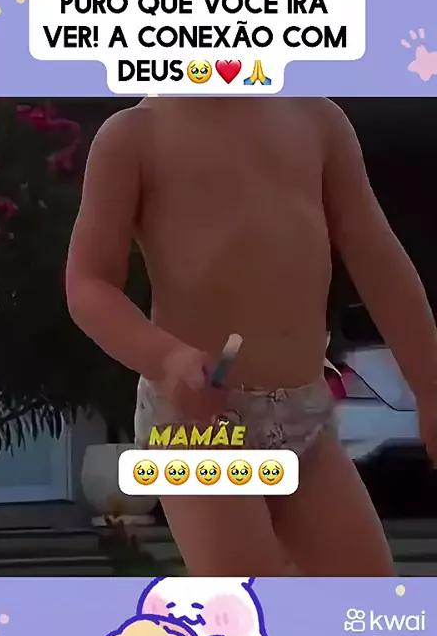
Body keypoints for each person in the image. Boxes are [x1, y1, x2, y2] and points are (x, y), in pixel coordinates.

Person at [66, 97, 437, 577]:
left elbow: (379, 262)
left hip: (304, 417)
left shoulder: (318, 122)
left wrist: (429, 388)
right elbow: (88, 283)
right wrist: (168, 358)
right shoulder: (135, 136)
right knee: (253, 597)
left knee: (366, 595)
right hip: (198, 426)